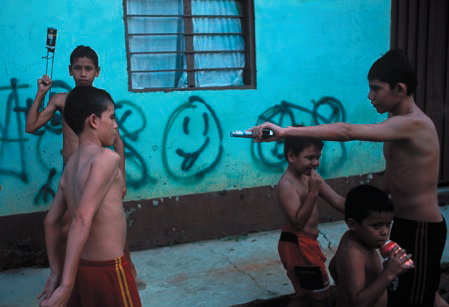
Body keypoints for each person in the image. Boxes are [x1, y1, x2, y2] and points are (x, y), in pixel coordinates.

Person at [249, 49, 448, 306]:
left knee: (416, 298)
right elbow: (398, 171)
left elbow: (346, 131)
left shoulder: (414, 123)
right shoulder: (395, 120)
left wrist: (285, 132)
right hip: (403, 222)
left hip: (421, 228)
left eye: (376, 89)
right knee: (420, 292)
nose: (370, 96)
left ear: (399, 89)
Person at [25, 45, 136, 277]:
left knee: (110, 221)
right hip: (71, 172)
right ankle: (69, 275)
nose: (83, 73)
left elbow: (118, 143)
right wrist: (41, 94)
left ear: (97, 71)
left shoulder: (100, 102)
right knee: (65, 225)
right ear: (70, 71)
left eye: (88, 69)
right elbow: (31, 126)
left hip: (99, 171)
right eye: (78, 68)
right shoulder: (61, 100)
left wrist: (122, 179)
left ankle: (126, 267)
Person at [37, 86, 141, 307]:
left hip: (80, 269)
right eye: (111, 117)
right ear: (93, 121)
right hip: (109, 270)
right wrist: (64, 286)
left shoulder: (71, 166)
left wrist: (58, 274)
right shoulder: (107, 159)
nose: (115, 125)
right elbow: (82, 218)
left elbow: (51, 221)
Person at [277, 136, 345, 307]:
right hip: (297, 246)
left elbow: (338, 201)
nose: (316, 163)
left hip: (308, 244)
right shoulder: (287, 184)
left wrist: (365, 211)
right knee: (320, 298)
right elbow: (297, 223)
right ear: (292, 156)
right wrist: (313, 192)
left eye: (318, 157)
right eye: (310, 157)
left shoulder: (311, 178)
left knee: (307, 297)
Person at [329, 184, 413, 307]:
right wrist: (388, 274)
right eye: (376, 226)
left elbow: (333, 267)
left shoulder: (353, 238)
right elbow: (358, 303)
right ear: (353, 224)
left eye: (388, 224)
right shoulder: (354, 253)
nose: (384, 232)